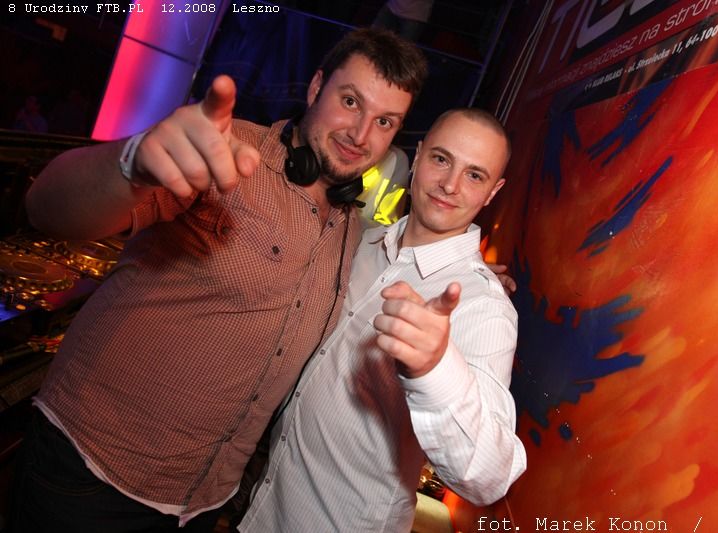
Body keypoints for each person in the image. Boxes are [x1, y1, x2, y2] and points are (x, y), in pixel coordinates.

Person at [11, 28, 427, 532]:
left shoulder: (348, 228)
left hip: (204, 501)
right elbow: (46, 208)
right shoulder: (224, 154)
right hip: (91, 474)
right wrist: (132, 165)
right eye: (350, 101)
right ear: (316, 87)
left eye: (384, 121)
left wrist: (464, 271)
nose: (360, 134)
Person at [239, 108, 527, 533]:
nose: (450, 185)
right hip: (264, 502)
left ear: (492, 192)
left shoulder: (483, 307)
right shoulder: (364, 242)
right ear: (419, 156)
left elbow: (489, 475)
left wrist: (435, 368)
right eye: (441, 159)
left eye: (474, 175)